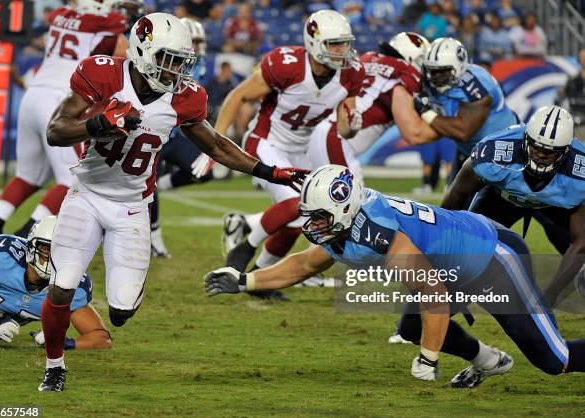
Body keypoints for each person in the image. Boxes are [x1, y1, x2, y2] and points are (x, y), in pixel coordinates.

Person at [37, 13, 306, 392]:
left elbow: (215, 145)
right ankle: (54, 366)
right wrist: (97, 124)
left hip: (132, 206)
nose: (176, 68)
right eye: (168, 58)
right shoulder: (104, 74)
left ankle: (113, 287)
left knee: (121, 312)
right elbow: (55, 131)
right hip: (87, 196)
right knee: (62, 284)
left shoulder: (185, 97)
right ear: (144, 51)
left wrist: (268, 171)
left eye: (181, 60)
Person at [204, 165, 585, 388]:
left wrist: (429, 360)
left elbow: (433, 294)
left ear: (344, 208)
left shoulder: (377, 230)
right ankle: (488, 360)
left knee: (554, 360)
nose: (312, 223)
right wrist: (245, 281)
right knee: (411, 326)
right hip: (452, 267)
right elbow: (303, 264)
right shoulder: (347, 225)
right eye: (312, 214)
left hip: (491, 260)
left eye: (320, 215)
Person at [223, 32, 439, 272]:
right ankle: (290, 258)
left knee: (314, 205)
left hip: (321, 132)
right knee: (352, 203)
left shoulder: (368, 59)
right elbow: (413, 133)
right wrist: (448, 127)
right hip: (329, 134)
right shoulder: (403, 74)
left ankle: (254, 241)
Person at [216, 10, 365, 299]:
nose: (341, 51)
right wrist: (218, 143)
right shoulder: (288, 65)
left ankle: (259, 279)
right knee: (298, 204)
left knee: (301, 221)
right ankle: (243, 249)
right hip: (266, 141)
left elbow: (345, 128)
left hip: (301, 148)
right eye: (334, 44)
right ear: (314, 42)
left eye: (344, 43)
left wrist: (352, 125)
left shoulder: (351, 73)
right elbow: (239, 96)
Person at [0, 0, 130, 248]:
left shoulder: (59, 14)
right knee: (72, 178)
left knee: (28, 175)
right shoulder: (102, 21)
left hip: (34, 94)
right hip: (60, 100)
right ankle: (27, 232)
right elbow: (121, 41)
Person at [441, 106, 585, 307]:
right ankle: (423, 316)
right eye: (536, 146)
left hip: (553, 205)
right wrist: (441, 233)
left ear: (565, 151)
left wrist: (549, 298)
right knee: (464, 251)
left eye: (550, 151)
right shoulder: (494, 152)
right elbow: (458, 193)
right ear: (526, 139)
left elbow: (581, 243)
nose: (541, 154)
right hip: (501, 198)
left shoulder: (580, 172)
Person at [0, 216, 111, 350]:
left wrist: (61, 343)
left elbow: (101, 338)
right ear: (31, 246)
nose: (51, 256)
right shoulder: (4, 258)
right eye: (46, 248)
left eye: (59, 251)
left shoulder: (70, 288)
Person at [415, 37, 519, 187]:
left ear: (458, 67)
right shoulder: (431, 81)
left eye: (441, 71)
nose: (434, 77)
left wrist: (425, 111)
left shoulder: (478, 84)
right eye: (431, 71)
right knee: (453, 201)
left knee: (487, 205)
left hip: (501, 150)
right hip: (468, 150)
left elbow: (463, 131)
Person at [148, 17, 211, 258]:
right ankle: (154, 239)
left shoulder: (200, 66)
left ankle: (163, 185)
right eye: (191, 41)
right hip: (154, 131)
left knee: (202, 170)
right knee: (148, 185)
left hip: (174, 135)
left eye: (198, 42)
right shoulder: (161, 62)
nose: (195, 47)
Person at [558, 48, 585, 140]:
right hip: (577, 121)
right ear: (579, 60)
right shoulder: (572, 80)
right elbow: (562, 97)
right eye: (582, 57)